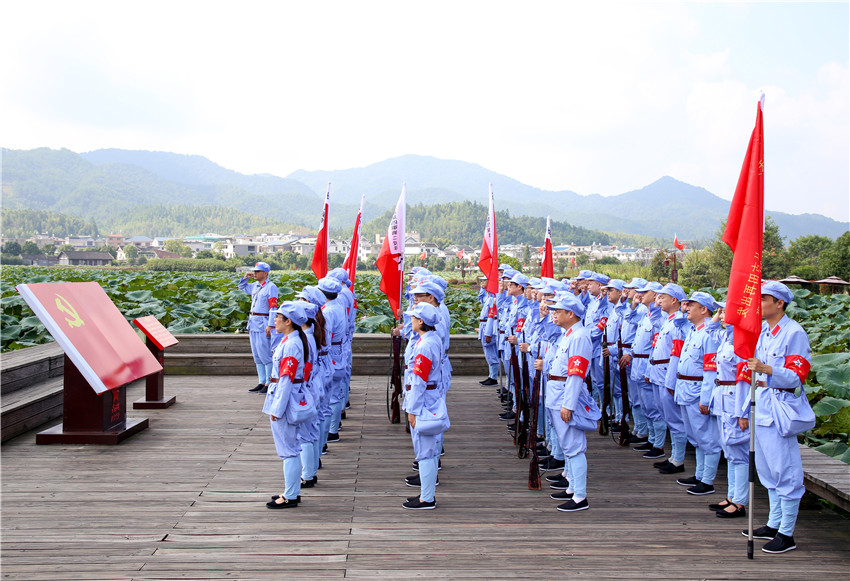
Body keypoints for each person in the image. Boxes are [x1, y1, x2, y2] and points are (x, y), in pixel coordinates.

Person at [744, 281, 812, 554]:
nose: (758, 304)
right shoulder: (765, 332)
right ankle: (774, 523)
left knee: (786, 471)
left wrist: (767, 369)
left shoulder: (793, 332)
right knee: (767, 470)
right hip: (763, 406)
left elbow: (797, 375)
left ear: (780, 303)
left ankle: (787, 532)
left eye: (764, 299)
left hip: (781, 408)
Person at [534, 292, 599, 512]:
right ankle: (572, 486)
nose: (553, 314)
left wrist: (569, 404)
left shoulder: (579, 336)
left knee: (574, 447)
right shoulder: (569, 334)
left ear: (570, 314)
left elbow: (576, 374)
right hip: (556, 393)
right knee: (567, 444)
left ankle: (580, 496)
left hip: (564, 395)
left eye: (557, 311)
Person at [674, 292, 721, 495]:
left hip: (697, 390)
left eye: (692, 305)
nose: (687, 308)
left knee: (707, 438)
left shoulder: (709, 334)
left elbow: (710, 370)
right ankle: (700, 474)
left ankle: (708, 480)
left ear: (704, 309)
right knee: (695, 436)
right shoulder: (694, 331)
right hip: (685, 388)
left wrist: (706, 398)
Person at [263, 301, 309, 509]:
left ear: (288, 322)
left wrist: (277, 409)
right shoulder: (292, 339)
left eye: (278, 318)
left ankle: (291, 495)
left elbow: (286, 379)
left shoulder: (291, 344)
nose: (274, 321)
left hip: (284, 399)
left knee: (288, 449)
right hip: (286, 396)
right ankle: (291, 490)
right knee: (290, 446)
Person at [402, 303, 447, 510]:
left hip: (423, 399)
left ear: (421, 322)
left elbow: (419, 379)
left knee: (425, 448)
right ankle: (425, 494)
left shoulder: (425, 345)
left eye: (413, 318)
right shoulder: (431, 339)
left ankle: (427, 497)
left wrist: (412, 409)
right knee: (427, 446)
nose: (410, 320)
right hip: (429, 395)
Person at [711, 303, 751, 518]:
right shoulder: (727, 337)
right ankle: (732, 495)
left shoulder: (742, 340)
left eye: (726, 311)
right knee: (730, 451)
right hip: (722, 396)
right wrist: (718, 318)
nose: (722, 315)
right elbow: (709, 330)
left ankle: (740, 501)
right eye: (721, 311)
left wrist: (742, 412)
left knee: (739, 452)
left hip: (736, 398)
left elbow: (745, 378)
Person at [238, 262, 278, 393]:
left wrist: (271, 324)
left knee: (265, 353)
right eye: (254, 271)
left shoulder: (271, 287)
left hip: (263, 321)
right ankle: (261, 381)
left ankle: (268, 382)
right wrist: (245, 278)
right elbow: (242, 286)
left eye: (258, 271)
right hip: (253, 321)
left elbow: (273, 307)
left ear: (265, 273)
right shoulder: (255, 285)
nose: (255, 273)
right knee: (257, 354)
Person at [478, 276, 500, 386]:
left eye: (484, 280)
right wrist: (482, 288)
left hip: (489, 325)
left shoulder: (494, 297)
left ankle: (493, 377)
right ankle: (491, 376)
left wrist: (488, 332)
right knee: (488, 353)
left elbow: (492, 315)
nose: (482, 282)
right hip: (484, 324)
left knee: (491, 353)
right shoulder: (489, 296)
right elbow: (481, 299)